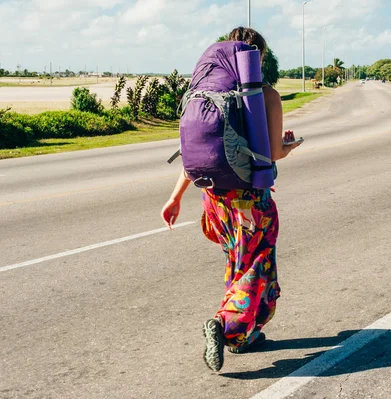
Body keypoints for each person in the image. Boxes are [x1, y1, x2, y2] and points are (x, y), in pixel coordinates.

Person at [161, 27, 302, 372]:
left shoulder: (208, 92)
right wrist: (291, 144)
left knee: (238, 262)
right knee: (256, 267)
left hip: (215, 199)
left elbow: (196, 153)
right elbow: (273, 154)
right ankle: (223, 327)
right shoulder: (265, 94)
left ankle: (246, 336)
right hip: (251, 201)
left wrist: (174, 198)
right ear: (258, 58)